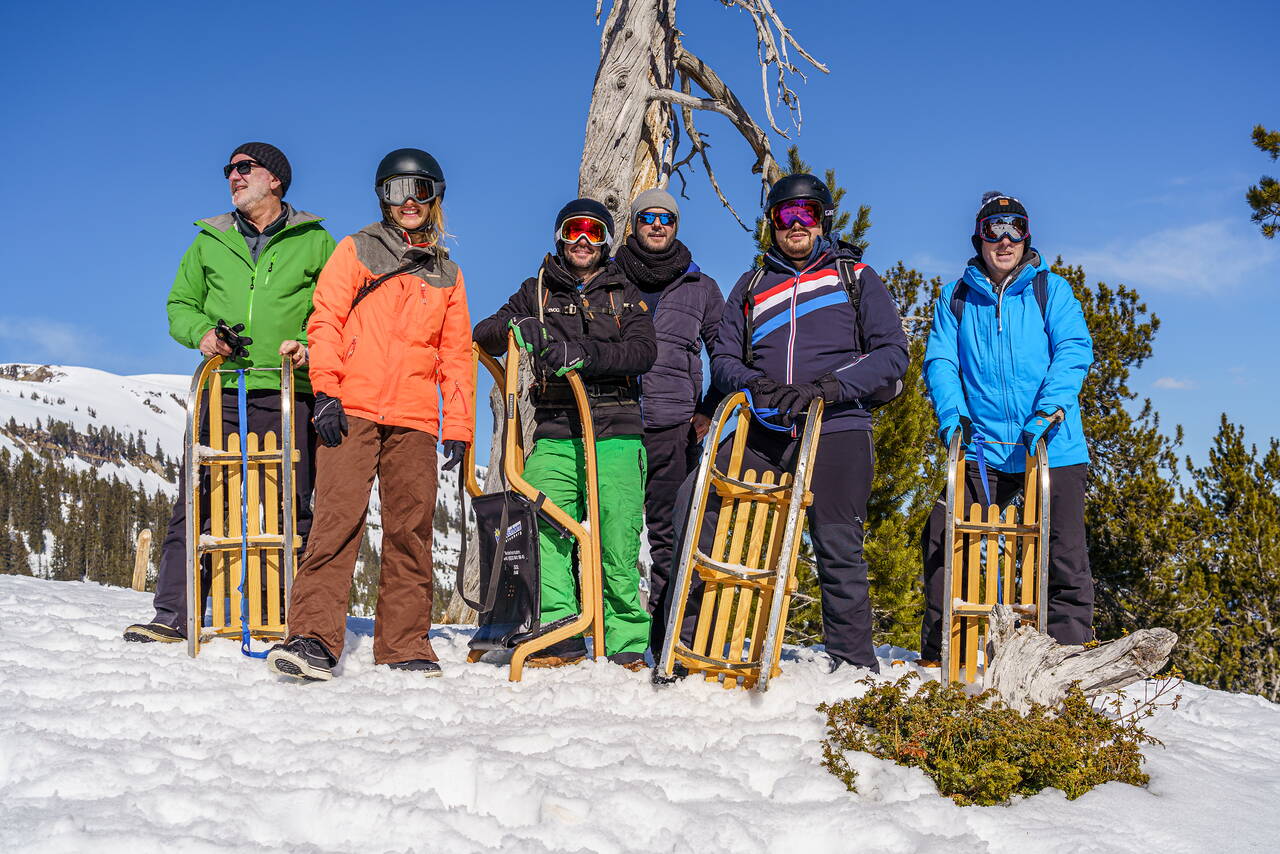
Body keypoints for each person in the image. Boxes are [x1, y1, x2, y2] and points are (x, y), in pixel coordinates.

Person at [667, 173, 909, 673]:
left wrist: (828, 388)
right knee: (696, 498)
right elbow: (725, 355)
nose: (796, 225)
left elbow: (892, 355)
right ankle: (689, 645)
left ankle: (853, 665)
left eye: (807, 214)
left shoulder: (855, 276)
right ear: (771, 224)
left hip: (836, 424)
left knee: (837, 541)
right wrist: (760, 386)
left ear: (823, 220)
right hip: (767, 423)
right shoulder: (754, 284)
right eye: (784, 215)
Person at [265, 148, 473, 681]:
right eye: (397, 190)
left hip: (416, 418)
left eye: (421, 190)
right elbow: (326, 320)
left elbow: (455, 353)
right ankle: (313, 637)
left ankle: (404, 643)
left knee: (412, 528)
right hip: (352, 408)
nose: (409, 201)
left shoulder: (448, 273)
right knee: (336, 521)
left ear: (436, 199)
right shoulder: (356, 249)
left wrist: (460, 425)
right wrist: (327, 392)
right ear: (382, 196)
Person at [124, 142, 334, 644]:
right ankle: (174, 612)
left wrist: (307, 345)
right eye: (229, 171)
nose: (233, 177)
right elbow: (180, 303)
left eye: (245, 169)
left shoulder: (317, 242)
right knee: (197, 500)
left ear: (276, 181)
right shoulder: (208, 240)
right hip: (222, 386)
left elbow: (334, 310)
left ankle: (293, 619)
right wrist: (205, 335)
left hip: (286, 388)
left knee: (293, 503)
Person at [473, 198, 657, 670]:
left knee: (617, 538)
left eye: (593, 233)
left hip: (614, 429)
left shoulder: (623, 292)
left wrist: (585, 354)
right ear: (559, 236)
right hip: (556, 430)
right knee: (542, 525)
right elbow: (485, 331)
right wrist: (520, 325)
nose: (582, 241)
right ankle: (559, 629)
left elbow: (642, 352)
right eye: (574, 230)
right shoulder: (536, 290)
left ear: (606, 242)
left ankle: (625, 639)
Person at [919, 192, 1094, 661]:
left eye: (1014, 227)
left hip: (1050, 444)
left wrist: (1051, 409)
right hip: (985, 448)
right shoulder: (956, 298)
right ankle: (943, 646)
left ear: (1027, 235)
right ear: (978, 237)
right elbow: (940, 360)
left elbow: (1074, 349)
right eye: (993, 229)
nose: (1004, 239)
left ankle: (1066, 655)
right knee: (944, 531)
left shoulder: (1049, 290)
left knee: (1063, 549)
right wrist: (952, 415)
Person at [612, 187, 724, 657]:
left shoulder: (701, 287)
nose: (658, 225)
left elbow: (727, 351)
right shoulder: (608, 278)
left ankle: (669, 635)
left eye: (667, 219)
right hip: (613, 425)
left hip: (674, 427)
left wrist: (709, 408)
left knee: (670, 535)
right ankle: (612, 634)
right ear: (634, 225)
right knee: (610, 534)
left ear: (676, 227)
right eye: (648, 218)